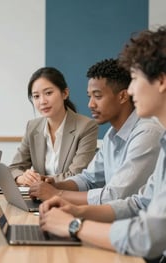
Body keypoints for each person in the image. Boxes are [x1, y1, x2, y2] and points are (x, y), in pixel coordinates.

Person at [39, 26, 166, 263]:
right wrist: (77, 211)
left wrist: (75, 225)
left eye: (135, 79)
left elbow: (149, 236)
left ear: (160, 81)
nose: (129, 89)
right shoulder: (158, 140)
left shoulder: (149, 132)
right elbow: (140, 203)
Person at [29, 58, 163, 205]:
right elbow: (88, 179)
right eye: (89, 96)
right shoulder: (112, 134)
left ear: (123, 96)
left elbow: (115, 196)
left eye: (98, 96)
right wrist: (54, 184)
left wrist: (57, 194)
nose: (90, 104)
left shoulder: (147, 133)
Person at [9, 67, 98, 185]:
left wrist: (39, 180)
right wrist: (22, 178)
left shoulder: (86, 126)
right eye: (36, 96)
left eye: (48, 93)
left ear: (65, 93)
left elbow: (77, 175)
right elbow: (14, 168)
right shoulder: (32, 127)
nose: (42, 101)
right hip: (38, 197)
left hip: (69, 198)